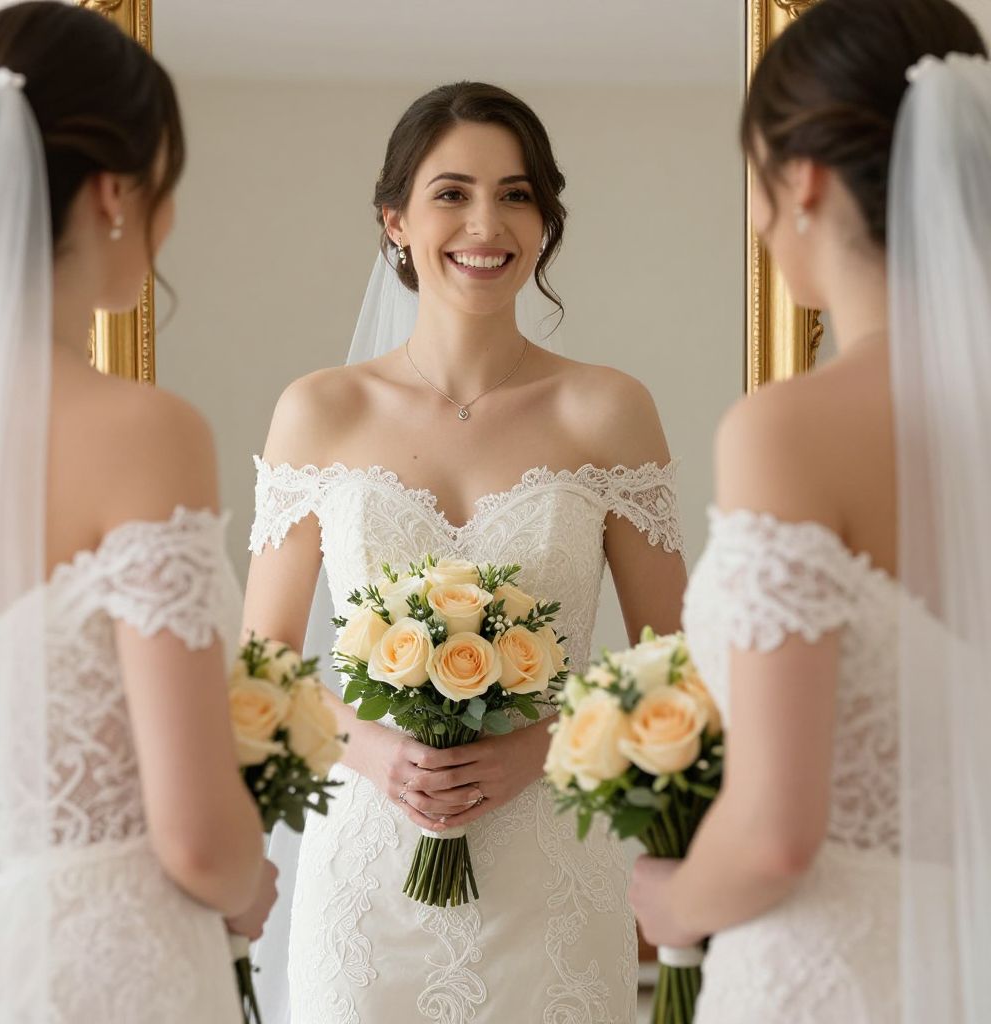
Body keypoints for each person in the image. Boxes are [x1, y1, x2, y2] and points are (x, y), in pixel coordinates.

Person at [244, 81, 687, 1022]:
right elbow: (264, 664)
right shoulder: (318, 411)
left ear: (545, 221)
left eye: (516, 193)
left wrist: (541, 746)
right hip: (368, 870)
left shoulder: (607, 409)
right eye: (451, 193)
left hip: (551, 867)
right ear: (395, 219)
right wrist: (370, 749)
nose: (486, 222)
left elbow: (672, 662)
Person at [628, 1, 991, 1021]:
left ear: (803, 181)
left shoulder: (786, 430)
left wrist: (672, 902)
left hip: (833, 974)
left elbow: (774, 837)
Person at [0, 4, 276, 1020]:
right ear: (113, 193)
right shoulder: (143, 430)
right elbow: (195, 834)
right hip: (115, 956)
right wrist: (249, 887)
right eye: (164, 186)